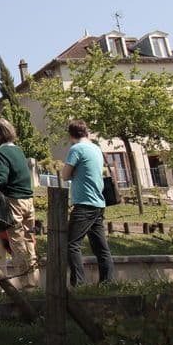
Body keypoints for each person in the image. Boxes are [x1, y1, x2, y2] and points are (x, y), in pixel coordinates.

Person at [60, 119, 115, 287]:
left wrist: (74, 171)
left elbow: (65, 175)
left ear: (71, 135)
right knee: (100, 247)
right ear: (86, 132)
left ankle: (79, 283)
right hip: (99, 202)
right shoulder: (96, 148)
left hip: (84, 203)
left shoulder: (76, 149)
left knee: (72, 245)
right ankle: (107, 282)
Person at [0, 118, 37, 288]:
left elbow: (2, 178)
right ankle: (35, 279)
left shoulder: (1, 152)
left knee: (17, 243)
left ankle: (26, 284)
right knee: (30, 240)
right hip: (28, 200)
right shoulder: (18, 150)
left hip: (14, 201)